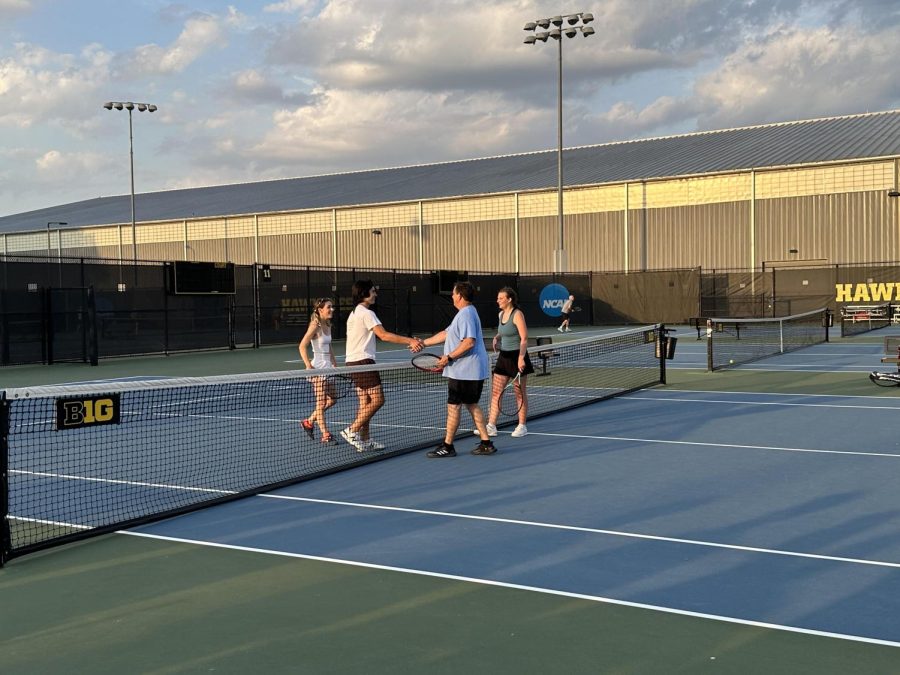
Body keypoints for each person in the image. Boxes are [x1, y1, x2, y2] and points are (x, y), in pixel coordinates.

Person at [341, 280, 422, 452]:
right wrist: (411, 340)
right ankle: (352, 430)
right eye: (373, 291)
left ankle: (365, 439)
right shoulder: (366, 313)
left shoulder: (354, 312)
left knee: (366, 402)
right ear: (364, 294)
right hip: (363, 362)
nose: (376, 294)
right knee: (378, 399)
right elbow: (383, 335)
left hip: (353, 362)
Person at [420, 281, 495, 458]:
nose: (452, 297)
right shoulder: (465, 313)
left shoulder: (466, 314)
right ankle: (486, 443)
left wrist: (449, 357)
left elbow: (469, 342)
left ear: (460, 296)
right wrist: (422, 343)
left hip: (464, 370)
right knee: (472, 404)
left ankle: (447, 446)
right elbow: (446, 334)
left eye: (453, 294)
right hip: (469, 371)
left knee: (453, 407)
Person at [481, 287, 533, 438]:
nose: (498, 300)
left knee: (519, 393)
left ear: (509, 299)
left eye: (501, 298)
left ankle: (522, 425)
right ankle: (491, 426)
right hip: (504, 357)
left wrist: (521, 358)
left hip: (518, 356)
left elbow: (524, 338)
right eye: (498, 298)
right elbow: (505, 330)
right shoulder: (500, 314)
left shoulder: (517, 314)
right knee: (497, 391)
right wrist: (497, 336)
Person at [298, 298, 339, 443]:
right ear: (320, 310)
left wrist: (334, 363)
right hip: (318, 368)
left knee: (333, 399)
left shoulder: (327, 324)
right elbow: (302, 346)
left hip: (328, 367)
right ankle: (325, 434)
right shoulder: (314, 325)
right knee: (320, 403)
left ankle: (308, 421)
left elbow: (329, 347)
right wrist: (308, 365)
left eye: (332, 307)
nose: (332, 309)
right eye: (329, 307)